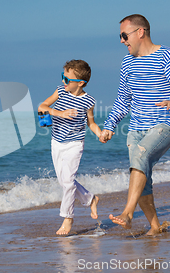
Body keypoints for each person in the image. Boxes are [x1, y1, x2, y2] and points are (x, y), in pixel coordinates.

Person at [99, 14, 170, 236]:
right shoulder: (127, 62)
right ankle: (154, 226)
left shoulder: (165, 55)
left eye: (124, 35)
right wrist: (110, 125)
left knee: (140, 156)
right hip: (136, 129)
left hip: (165, 123)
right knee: (141, 174)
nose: (122, 41)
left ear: (140, 32)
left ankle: (128, 214)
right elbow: (123, 98)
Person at [39, 59, 102, 235]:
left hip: (75, 143)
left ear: (80, 83)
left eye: (67, 79)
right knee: (65, 182)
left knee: (67, 182)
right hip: (56, 142)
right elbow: (42, 106)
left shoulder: (88, 101)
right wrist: (59, 113)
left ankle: (68, 219)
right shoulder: (60, 91)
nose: (63, 82)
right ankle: (91, 199)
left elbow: (91, 123)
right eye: (62, 77)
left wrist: (100, 134)